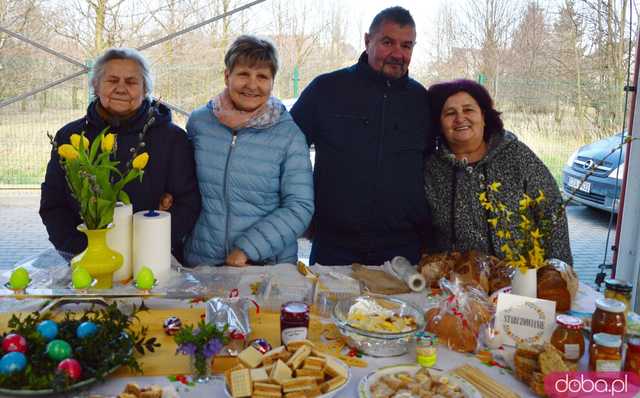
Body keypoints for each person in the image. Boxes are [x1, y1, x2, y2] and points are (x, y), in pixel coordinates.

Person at [291, 6, 432, 265]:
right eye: (387, 42)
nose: (398, 54)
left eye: (407, 46)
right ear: (368, 40)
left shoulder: (422, 101)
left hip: (401, 250)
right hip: (334, 246)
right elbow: (286, 150)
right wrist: (302, 212)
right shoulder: (326, 89)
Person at [40, 47, 201, 262]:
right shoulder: (70, 137)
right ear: (96, 86)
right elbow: (54, 203)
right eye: (112, 80)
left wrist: (147, 248)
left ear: (145, 90)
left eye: (132, 82)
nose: (121, 88)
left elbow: (187, 202)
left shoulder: (172, 139)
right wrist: (84, 251)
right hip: (88, 258)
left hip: (153, 259)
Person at [184, 35, 314, 267]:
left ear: (272, 83)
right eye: (244, 74)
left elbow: (299, 206)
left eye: (262, 76)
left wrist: (246, 249)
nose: (252, 85)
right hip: (203, 262)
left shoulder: (289, 135)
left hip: (265, 266)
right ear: (227, 76)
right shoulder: (199, 122)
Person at [424, 79, 573, 264]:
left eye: (468, 110)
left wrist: (559, 270)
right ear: (439, 123)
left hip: (520, 280)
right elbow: (424, 231)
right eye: (450, 113)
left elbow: (552, 213)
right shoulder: (432, 168)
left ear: (484, 116)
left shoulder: (517, 155)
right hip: (458, 284)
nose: (460, 118)